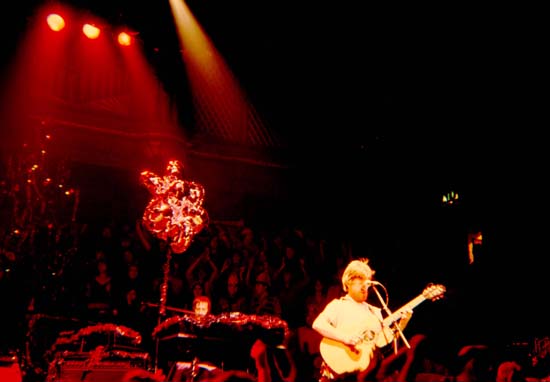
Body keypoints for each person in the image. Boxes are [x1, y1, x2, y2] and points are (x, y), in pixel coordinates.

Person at [311, 258, 412, 382]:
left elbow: (381, 342)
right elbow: (318, 324)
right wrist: (345, 338)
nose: (365, 288)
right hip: (339, 374)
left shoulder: (374, 311)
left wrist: (402, 323)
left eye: (367, 284)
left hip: (366, 373)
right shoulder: (338, 305)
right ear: (348, 283)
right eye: (360, 284)